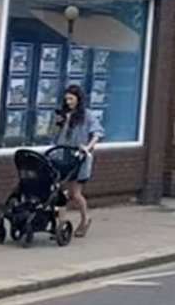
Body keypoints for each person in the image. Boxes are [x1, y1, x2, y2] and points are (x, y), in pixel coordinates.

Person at [54, 84, 102, 237]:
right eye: (66, 99)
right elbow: (56, 134)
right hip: (63, 155)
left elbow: (97, 133)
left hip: (79, 157)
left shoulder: (87, 115)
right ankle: (60, 225)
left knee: (75, 193)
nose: (68, 102)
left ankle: (85, 219)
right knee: (59, 192)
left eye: (71, 99)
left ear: (78, 99)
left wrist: (88, 147)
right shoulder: (64, 114)